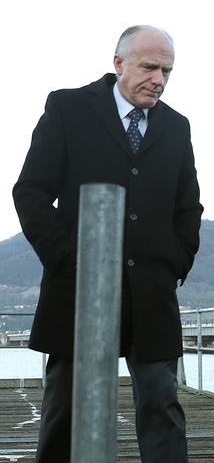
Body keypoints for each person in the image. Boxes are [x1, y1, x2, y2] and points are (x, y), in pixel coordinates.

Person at [13, 25, 203, 463]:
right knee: (65, 407)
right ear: (118, 64)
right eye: (149, 67)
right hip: (78, 289)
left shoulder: (176, 126)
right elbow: (31, 191)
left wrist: (176, 262)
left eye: (167, 71)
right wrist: (68, 259)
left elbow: (188, 207)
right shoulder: (68, 108)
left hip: (152, 291)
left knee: (162, 406)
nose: (159, 79)